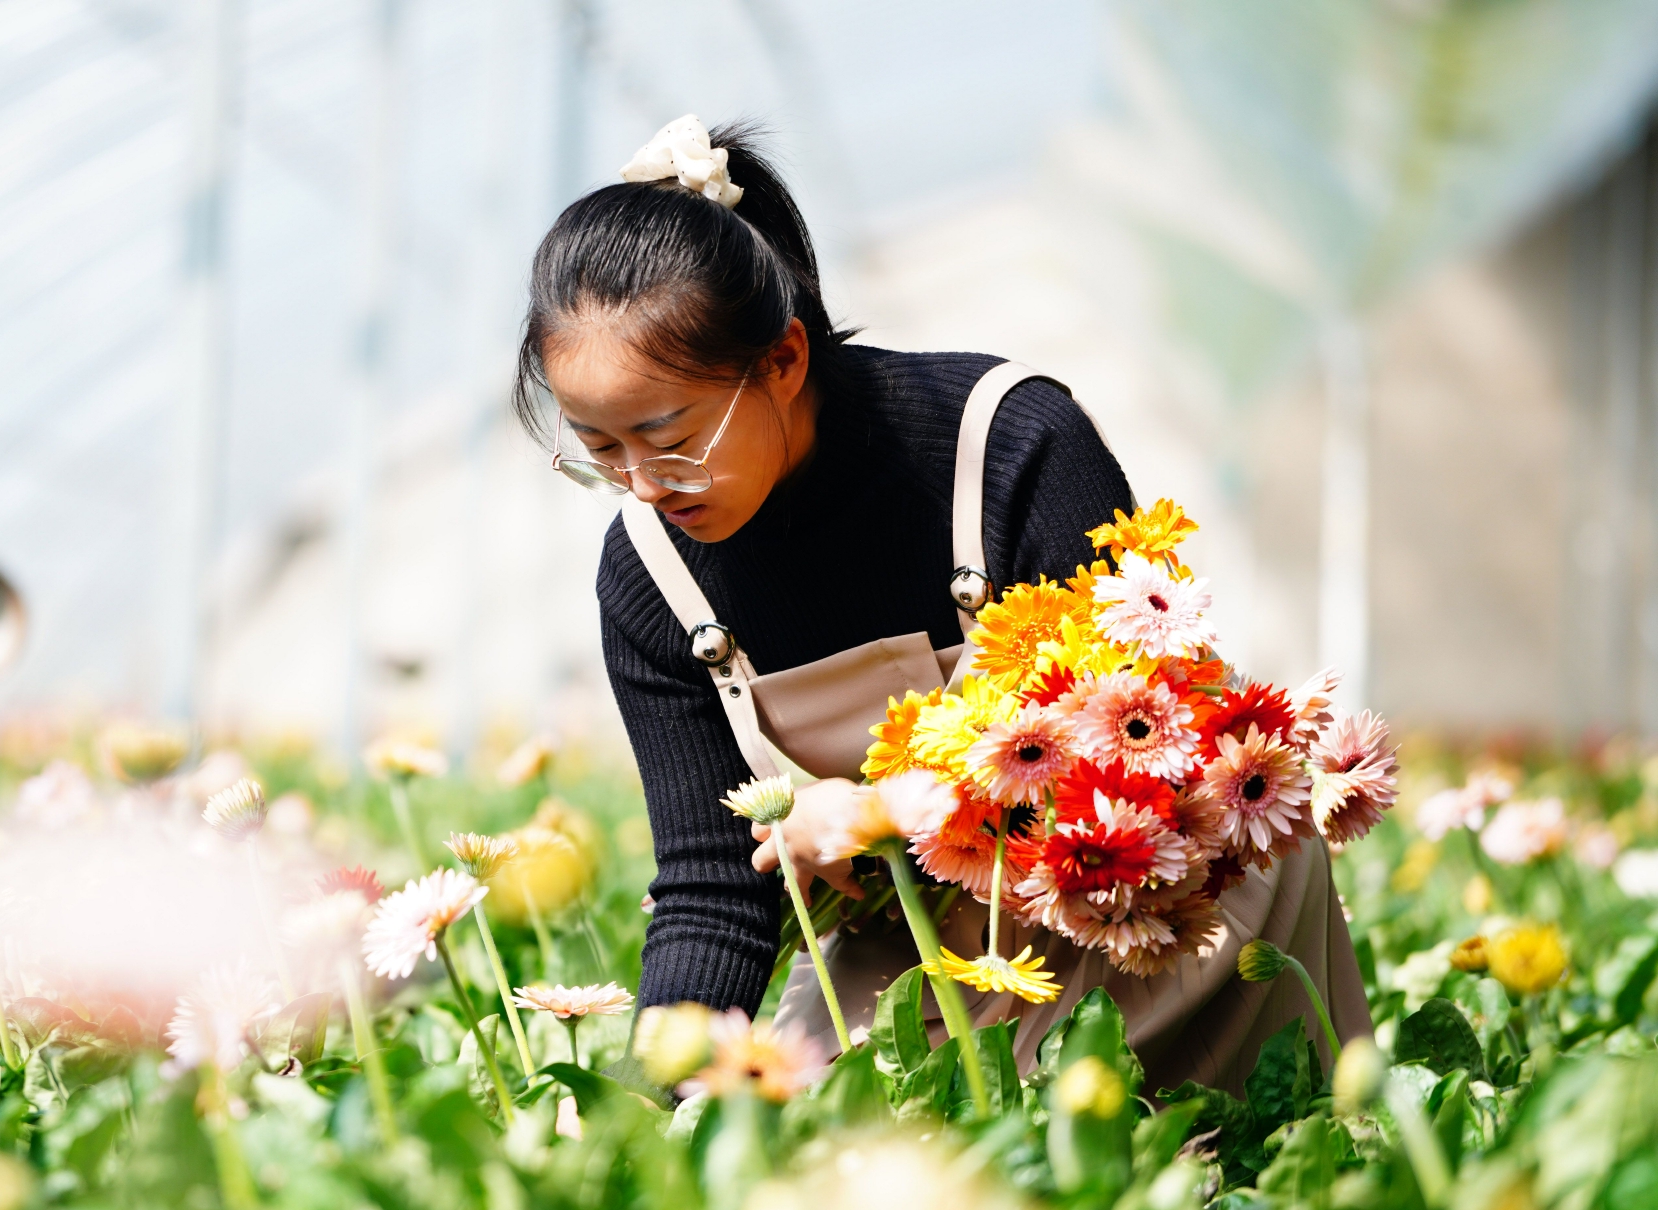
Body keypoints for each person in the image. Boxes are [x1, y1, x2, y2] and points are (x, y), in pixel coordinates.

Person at [513, 116, 1369, 1091]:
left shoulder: (1008, 448)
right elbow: (713, 888)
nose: (641, 483)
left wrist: (882, 810)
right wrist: (651, 1108)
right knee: (811, 1156)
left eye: (668, 438)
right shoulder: (647, 576)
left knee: (1207, 1170)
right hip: (927, 954)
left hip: (1163, 913)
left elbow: (1139, 749)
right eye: (596, 447)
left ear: (784, 360)